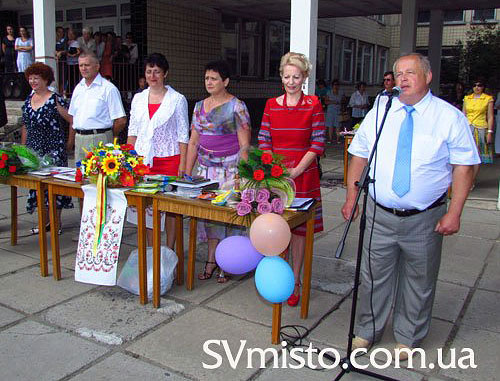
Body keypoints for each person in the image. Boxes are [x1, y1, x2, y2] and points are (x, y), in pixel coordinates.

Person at [342, 53, 479, 360]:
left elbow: (464, 166)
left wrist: (454, 212)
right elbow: (359, 153)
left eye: (409, 73)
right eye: (397, 73)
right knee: (373, 274)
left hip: (425, 217)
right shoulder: (381, 110)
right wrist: (352, 198)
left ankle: (408, 335)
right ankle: (367, 330)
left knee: (419, 278)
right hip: (379, 212)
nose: (402, 79)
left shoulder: (449, 117)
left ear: (427, 77)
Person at [258, 52, 325, 306]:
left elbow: (318, 142)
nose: (291, 81)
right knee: (276, 226)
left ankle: (295, 279)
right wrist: (274, 169)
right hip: (276, 177)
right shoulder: (271, 104)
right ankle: (278, 277)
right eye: (287, 76)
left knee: (298, 231)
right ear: (281, 77)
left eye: (296, 76)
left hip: (304, 176)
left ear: (304, 77)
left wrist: (295, 171)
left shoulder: (313, 104)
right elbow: (264, 139)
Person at [185, 60, 251, 283]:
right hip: (205, 173)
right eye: (206, 78)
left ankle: (228, 262)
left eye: (214, 78)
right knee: (210, 219)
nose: (209, 82)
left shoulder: (237, 106)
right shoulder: (198, 107)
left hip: (230, 172)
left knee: (228, 217)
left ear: (226, 81)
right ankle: (212, 260)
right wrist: (186, 175)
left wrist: (241, 176)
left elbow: (244, 145)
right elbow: (193, 143)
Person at [127, 53, 189, 247]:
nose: (152, 76)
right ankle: (152, 250)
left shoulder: (177, 99)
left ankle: (169, 250)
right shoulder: (138, 98)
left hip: (170, 160)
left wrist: (183, 164)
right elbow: (133, 131)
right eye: (149, 72)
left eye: (157, 72)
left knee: (170, 208)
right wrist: (128, 161)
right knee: (145, 208)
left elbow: (183, 135)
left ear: (165, 74)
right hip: (143, 161)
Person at [21, 63, 74, 233]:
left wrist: (69, 143)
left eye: (36, 78)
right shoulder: (28, 100)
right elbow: (25, 126)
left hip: (54, 149)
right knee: (37, 187)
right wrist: (23, 149)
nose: (33, 81)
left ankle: (56, 223)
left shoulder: (55, 98)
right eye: (30, 78)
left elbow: (72, 120)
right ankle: (43, 222)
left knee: (54, 187)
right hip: (34, 149)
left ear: (45, 79)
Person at [68, 52, 126, 167]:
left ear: (97, 66)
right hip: (79, 139)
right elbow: (73, 117)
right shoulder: (78, 88)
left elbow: (121, 120)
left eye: (87, 65)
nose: (83, 68)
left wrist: (109, 134)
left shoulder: (108, 88)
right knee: (80, 177)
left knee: (99, 178)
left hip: (100, 138)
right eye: (81, 65)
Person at [463, 79, 494, 182]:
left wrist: (490, 132)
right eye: (474, 85)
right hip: (467, 127)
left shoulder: (488, 99)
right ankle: (465, 179)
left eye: (479, 85)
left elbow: (490, 116)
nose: (477, 87)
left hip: (480, 128)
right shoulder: (467, 98)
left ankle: (471, 180)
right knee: (466, 154)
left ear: (483, 87)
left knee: (476, 154)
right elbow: (463, 115)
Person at [324, 79, 343, 143]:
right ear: (332, 86)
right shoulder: (329, 92)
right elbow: (326, 101)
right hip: (330, 111)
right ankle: (330, 138)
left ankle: (338, 139)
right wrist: (333, 102)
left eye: (337, 85)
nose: (336, 86)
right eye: (335, 85)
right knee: (330, 125)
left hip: (338, 111)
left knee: (338, 126)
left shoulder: (341, 93)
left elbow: (344, 101)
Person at [65, 29, 81, 95]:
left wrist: (72, 55)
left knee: (74, 79)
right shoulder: (66, 42)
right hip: (69, 63)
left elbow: (78, 52)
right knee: (69, 79)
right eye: (69, 34)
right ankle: (69, 93)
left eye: (72, 34)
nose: (70, 35)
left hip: (75, 63)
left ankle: (74, 92)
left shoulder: (76, 43)